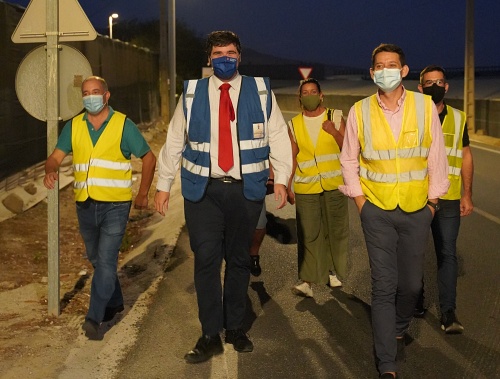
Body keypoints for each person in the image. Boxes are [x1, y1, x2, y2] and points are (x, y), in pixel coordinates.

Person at [155, 30, 292, 364]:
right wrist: (163, 184)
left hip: (247, 190)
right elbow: (175, 139)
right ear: (209, 58)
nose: (224, 58)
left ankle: (235, 328)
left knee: (240, 260)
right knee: (205, 259)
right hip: (204, 190)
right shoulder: (191, 92)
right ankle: (208, 334)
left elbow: (278, 135)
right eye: (218, 53)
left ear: (240, 56)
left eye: (230, 52)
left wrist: (282, 178)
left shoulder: (260, 90)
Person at [339, 44, 450, 379]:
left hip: (417, 209)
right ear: (372, 72)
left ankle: (399, 326)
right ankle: (387, 361)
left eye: (392, 65)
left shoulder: (423, 105)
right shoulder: (359, 111)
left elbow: (436, 155)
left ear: (404, 71)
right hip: (377, 211)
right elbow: (348, 158)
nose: (385, 70)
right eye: (378, 66)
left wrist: (432, 203)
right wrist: (360, 201)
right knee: (383, 285)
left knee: (412, 286)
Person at [43, 76, 157, 340]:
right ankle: (115, 301)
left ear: (106, 96)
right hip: (85, 204)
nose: (90, 97)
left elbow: (149, 158)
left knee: (106, 260)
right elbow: (55, 157)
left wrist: (142, 194)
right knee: (96, 259)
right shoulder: (74, 126)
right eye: (86, 93)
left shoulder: (122, 125)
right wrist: (50, 171)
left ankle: (94, 318)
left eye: (95, 92)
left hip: (116, 206)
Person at [416, 65, 474, 333]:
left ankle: (448, 312)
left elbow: (465, 155)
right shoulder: (410, 117)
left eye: (439, 82)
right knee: (412, 253)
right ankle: (415, 300)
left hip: (448, 198)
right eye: (429, 83)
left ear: (447, 86)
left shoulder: (459, 118)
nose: (434, 86)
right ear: (420, 88)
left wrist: (467, 193)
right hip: (414, 197)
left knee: (447, 253)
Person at [286, 78, 348, 298]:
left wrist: (334, 132)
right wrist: (287, 184)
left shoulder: (336, 116)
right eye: (305, 92)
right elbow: (292, 157)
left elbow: (348, 148)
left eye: (314, 91)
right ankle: (307, 281)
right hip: (306, 187)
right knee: (309, 234)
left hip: (334, 185)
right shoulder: (294, 124)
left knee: (335, 231)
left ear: (321, 95)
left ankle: (332, 271)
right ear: (300, 97)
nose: (310, 95)